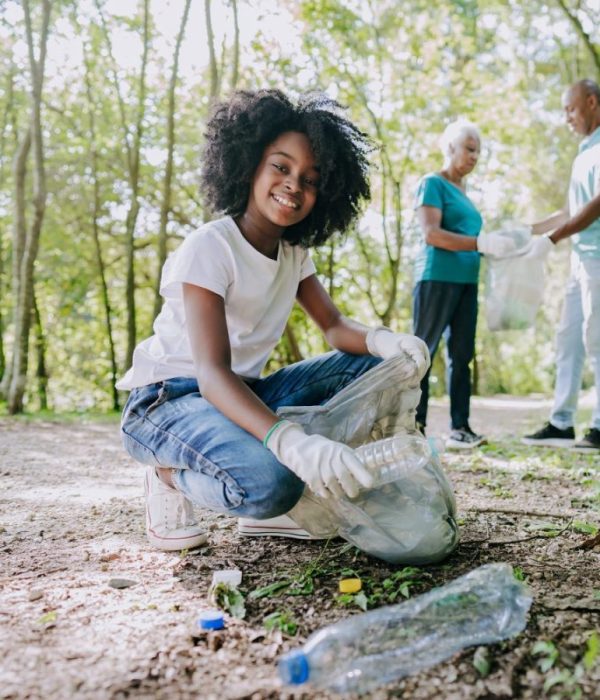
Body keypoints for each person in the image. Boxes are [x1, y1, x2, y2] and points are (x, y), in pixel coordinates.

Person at [116, 89, 430, 551]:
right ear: (248, 165)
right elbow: (211, 374)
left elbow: (336, 327)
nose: (293, 185)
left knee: (369, 366)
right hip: (168, 402)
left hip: (241, 392)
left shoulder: (293, 253)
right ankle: (168, 476)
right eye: (280, 167)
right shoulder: (211, 246)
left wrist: (388, 342)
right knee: (273, 483)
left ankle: (281, 489)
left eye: (310, 179)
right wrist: (291, 443)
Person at [412, 119, 516, 449]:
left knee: (462, 356)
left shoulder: (465, 194)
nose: (474, 157)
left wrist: (495, 246)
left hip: (467, 283)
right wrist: (479, 244)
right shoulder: (433, 183)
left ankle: (460, 428)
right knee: (422, 354)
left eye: (478, 152)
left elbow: (475, 239)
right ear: (451, 148)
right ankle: (414, 427)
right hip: (436, 278)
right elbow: (431, 234)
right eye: (469, 149)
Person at [522, 79, 600, 452]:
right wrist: (529, 231)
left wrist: (551, 240)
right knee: (568, 339)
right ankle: (561, 422)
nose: (566, 117)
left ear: (591, 102)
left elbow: (597, 203)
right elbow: (571, 210)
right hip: (579, 261)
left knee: (596, 337)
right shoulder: (583, 150)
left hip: (598, 257)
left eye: (570, 109)